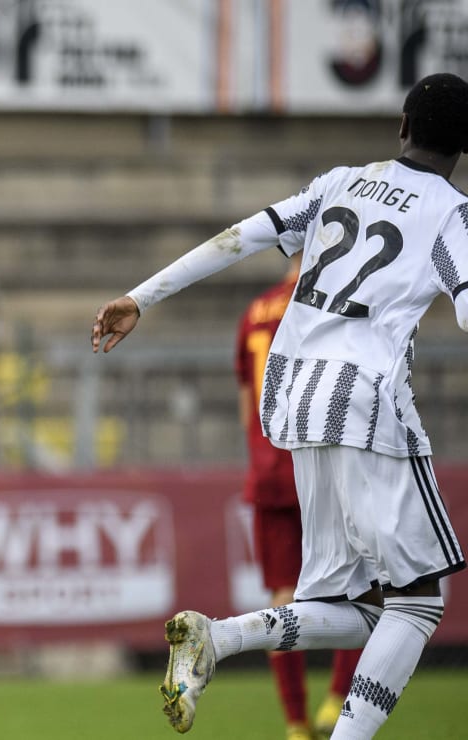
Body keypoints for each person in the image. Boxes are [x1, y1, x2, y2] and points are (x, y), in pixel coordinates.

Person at [92, 72, 468, 739]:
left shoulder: (339, 182)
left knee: (351, 605)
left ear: (402, 124)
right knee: (420, 603)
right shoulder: (450, 212)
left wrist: (139, 297)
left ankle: (220, 638)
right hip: (365, 400)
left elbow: (241, 236)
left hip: (295, 404)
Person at [236, 252, 363, 740]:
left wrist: (261, 455)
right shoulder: (330, 305)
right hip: (324, 469)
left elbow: (247, 402)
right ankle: (337, 702)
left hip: (269, 471)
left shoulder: (254, 311)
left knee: (282, 597)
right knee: (357, 589)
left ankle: (294, 723)